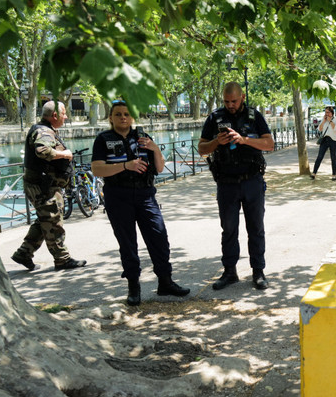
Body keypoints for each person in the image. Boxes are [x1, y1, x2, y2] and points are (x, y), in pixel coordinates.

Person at [91, 101, 190, 305]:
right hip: (118, 197)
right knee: (128, 244)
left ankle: (165, 282)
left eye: (127, 114)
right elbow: (97, 169)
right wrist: (126, 165)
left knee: (159, 237)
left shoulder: (143, 138)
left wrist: (154, 148)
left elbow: (160, 168)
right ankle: (133, 286)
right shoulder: (103, 139)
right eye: (118, 114)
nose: (123, 118)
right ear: (111, 118)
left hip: (145, 195)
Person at [198, 82, 275, 290]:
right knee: (229, 229)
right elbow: (201, 149)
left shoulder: (254, 116)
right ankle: (229, 272)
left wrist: (244, 140)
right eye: (226, 101)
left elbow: (269, 144)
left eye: (234, 101)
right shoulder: (215, 118)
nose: (230, 105)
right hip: (226, 183)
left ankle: (258, 271)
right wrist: (216, 142)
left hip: (252, 180)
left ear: (242, 97)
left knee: (256, 228)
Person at [11, 101, 87, 272]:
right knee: (53, 223)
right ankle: (62, 260)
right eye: (64, 113)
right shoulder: (43, 131)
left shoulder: (46, 129)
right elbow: (42, 151)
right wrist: (64, 154)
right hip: (43, 187)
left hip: (45, 186)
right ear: (55, 116)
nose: (66, 117)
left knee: (45, 221)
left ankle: (24, 253)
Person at [310, 106, 336, 181]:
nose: (326, 114)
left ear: (331, 113)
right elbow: (319, 129)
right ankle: (314, 173)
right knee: (319, 157)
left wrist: (330, 121)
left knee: (333, 158)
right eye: (325, 112)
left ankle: (334, 175)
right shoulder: (324, 119)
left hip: (333, 140)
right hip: (325, 140)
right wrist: (324, 121)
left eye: (328, 112)